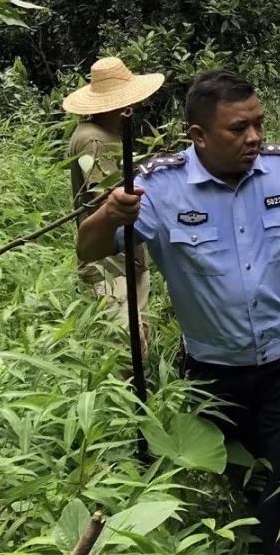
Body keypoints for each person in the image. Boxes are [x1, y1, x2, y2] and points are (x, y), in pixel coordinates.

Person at [76, 70, 280, 555]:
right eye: (239, 128)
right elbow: (88, 250)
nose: (254, 137)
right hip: (216, 375)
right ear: (198, 135)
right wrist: (109, 213)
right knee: (246, 487)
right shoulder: (160, 186)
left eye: (258, 123)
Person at [63, 57, 164, 354]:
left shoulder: (107, 134)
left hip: (126, 256)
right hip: (109, 261)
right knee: (124, 348)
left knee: (139, 336)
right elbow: (102, 195)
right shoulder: (92, 140)